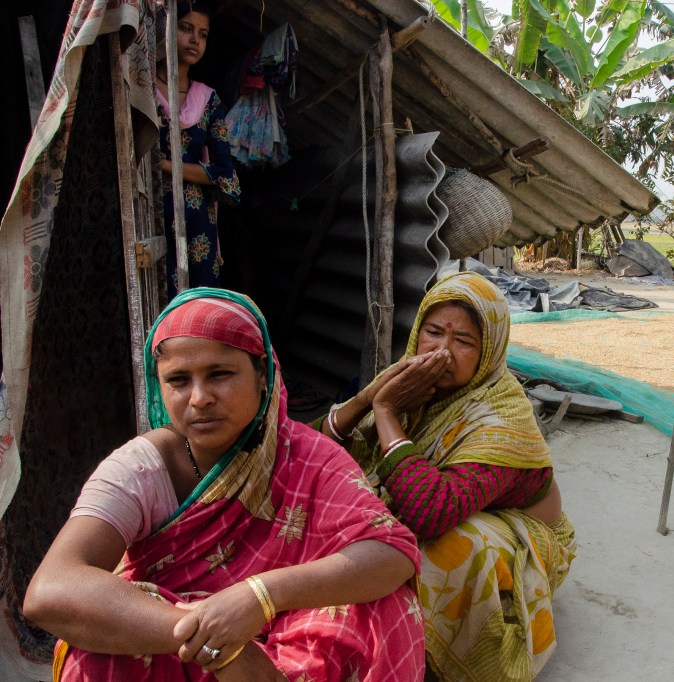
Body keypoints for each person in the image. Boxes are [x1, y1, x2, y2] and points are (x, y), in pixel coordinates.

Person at [24, 289, 425, 680]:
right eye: (179, 380)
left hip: (291, 646)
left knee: (384, 604)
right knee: (97, 650)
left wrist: (260, 595)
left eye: (220, 374)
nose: (199, 398)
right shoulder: (143, 467)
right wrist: (217, 642)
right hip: (183, 649)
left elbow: (392, 552)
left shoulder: (306, 455)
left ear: (263, 376)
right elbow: (51, 589)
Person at [318, 272, 576, 681]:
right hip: (439, 504)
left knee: (456, 543)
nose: (442, 351)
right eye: (434, 333)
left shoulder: (502, 415)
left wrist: (385, 415)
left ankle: (452, 649)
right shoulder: (410, 385)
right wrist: (368, 398)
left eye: (464, 342)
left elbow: (432, 511)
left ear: (489, 351)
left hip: (523, 538)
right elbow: (317, 451)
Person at [157, 1, 241, 297]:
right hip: (152, 214)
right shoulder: (142, 90)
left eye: (203, 34)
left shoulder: (208, 100)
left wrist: (166, 166)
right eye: (186, 28)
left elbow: (224, 173)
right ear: (165, 28)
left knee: (199, 304)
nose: (195, 40)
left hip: (197, 225)